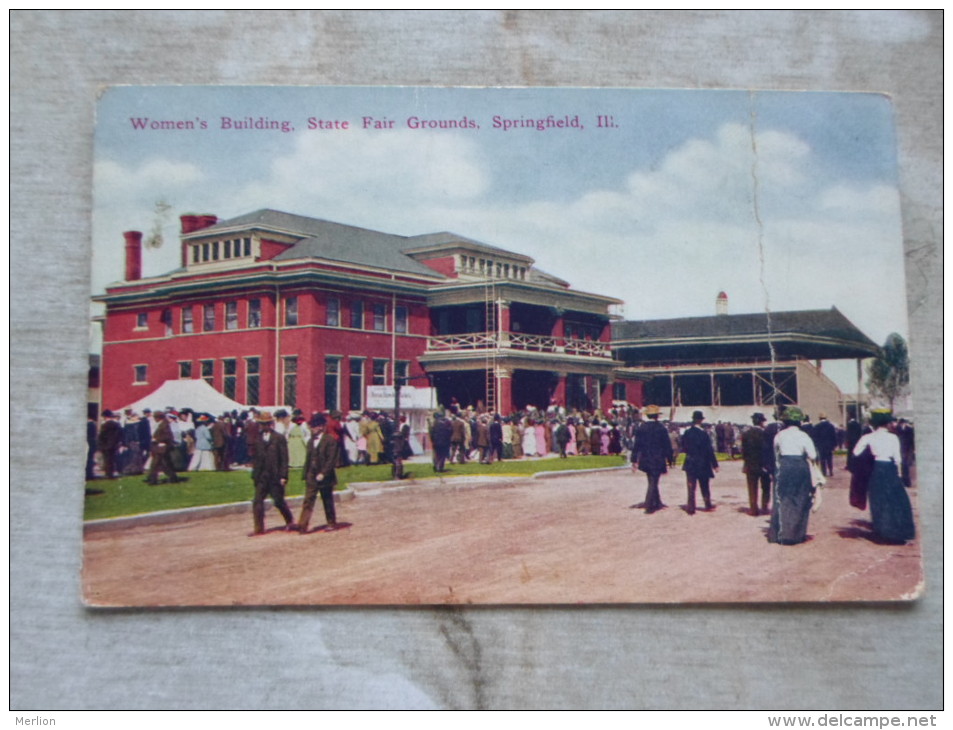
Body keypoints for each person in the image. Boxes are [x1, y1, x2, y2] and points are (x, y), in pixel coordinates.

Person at [851, 409, 915, 543]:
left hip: (876, 469)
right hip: (890, 469)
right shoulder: (893, 437)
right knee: (896, 500)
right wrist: (899, 475)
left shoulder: (868, 437)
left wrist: (868, 457)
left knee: (878, 500)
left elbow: (856, 453)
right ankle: (897, 531)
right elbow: (898, 459)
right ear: (887, 423)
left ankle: (882, 531)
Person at [767, 407, 820, 545]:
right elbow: (813, 455)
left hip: (783, 466)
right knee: (800, 498)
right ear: (799, 421)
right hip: (800, 466)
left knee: (781, 499)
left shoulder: (779, 435)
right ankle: (795, 534)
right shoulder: (804, 436)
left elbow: (775, 453)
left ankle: (779, 533)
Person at [250, 411, 296, 535]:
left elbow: (284, 458)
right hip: (261, 476)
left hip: (275, 476)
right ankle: (259, 528)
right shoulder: (258, 438)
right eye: (261, 424)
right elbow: (256, 457)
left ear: (270, 424)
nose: (263, 426)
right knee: (257, 501)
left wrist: (283, 475)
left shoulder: (279, 438)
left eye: (265, 424)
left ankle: (290, 521)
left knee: (278, 501)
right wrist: (255, 474)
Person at [298, 413, 339, 533]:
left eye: (314, 427)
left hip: (325, 476)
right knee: (308, 500)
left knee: (327, 499)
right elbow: (309, 458)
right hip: (312, 474)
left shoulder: (330, 440)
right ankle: (303, 525)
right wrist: (306, 473)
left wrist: (323, 473)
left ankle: (331, 522)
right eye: (311, 427)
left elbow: (331, 459)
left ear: (321, 427)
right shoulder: (311, 441)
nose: (312, 429)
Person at [630, 405, 673, 514]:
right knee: (654, 481)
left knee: (651, 479)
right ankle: (649, 505)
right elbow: (667, 445)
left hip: (645, 458)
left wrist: (634, 460)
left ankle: (657, 501)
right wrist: (670, 459)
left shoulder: (642, 428)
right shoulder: (661, 428)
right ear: (657, 416)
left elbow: (637, 445)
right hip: (658, 458)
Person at [680, 410, 718, 514]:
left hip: (691, 461)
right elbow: (709, 450)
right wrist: (715, 464)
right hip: (703, 462)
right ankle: (707, 504)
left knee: (691, 485)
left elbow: (683, 447)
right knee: (704, 485)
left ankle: (691, 506)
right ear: (700, 420)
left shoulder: (687, 433)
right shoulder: (704, 434)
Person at [741, 413, 771, 516]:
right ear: (762, 422)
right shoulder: (765, 434)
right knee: (766, 487)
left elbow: (744, 451)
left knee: (752, 487)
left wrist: (746, 462)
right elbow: (767, 450)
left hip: (750, 464)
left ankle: (753, 509)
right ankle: (764, 507)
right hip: (763, 464)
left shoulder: (746, 434)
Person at [145, 411, 184, 485]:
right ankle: (173, 478)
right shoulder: (162, 424)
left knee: (156, 464)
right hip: (160, 448)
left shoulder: (164, 425)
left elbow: (168, 436)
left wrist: (157, 440)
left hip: (162, 447)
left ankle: (152, 480)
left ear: (159, 417)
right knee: (165, 465)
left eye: (155, 417)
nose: (154, 419)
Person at [96, 410, 123, 479]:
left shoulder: (105, 425)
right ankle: (111, 473)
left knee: (107, 460)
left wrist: (100, 444)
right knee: (112, 460)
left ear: (105, 416)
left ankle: (108, 474)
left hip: (106, 445)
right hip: (114, 445)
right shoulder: (117, 424)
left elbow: (102, 436)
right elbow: (120, 435)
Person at [812, 413, 837, 477]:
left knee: (822, 459)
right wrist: (834, 445)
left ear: (819, 418)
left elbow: (815, 437)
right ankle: (831, 471)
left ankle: (824, 472)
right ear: (826, 418)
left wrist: (816, 445)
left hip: (821, 445)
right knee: (829, 458)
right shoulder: (831, 426)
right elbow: (834, 436)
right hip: (829, 445)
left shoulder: (817, 426)